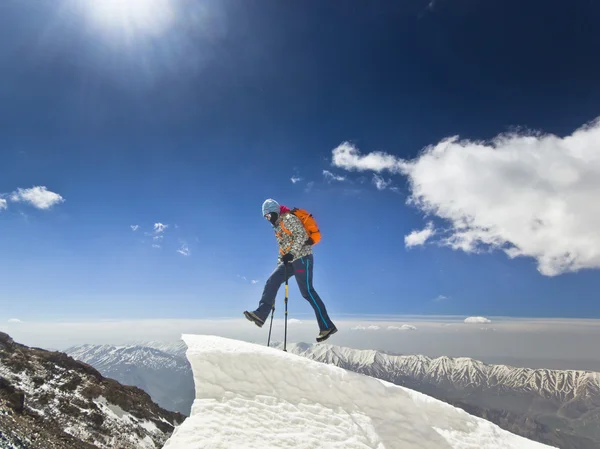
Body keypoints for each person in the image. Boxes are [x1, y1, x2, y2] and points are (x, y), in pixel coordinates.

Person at [244, 198, 337, 342]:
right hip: (288, 261)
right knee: (272, 281)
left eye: (268, 215)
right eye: (265, 217)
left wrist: (291, 254)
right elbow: (282, 249)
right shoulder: (276, 227)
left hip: (302, 259)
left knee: (307, 292)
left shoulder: (288, 218)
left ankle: (327, 326)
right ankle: (260, 315)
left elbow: (301, 235)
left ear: (274, 212)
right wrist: (280, 264)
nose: (267, 219)